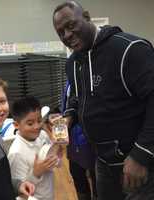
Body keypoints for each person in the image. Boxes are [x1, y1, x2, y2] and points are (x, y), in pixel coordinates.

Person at [53, 1, 154, 200]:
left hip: (139, 163)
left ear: (87, 17)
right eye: (60, 32)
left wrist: (141, 155)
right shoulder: (73, 63)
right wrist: (68, 116)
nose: (67, 35)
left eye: (71, 25)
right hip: (102, 162)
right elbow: (77, 97)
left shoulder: (130, 50)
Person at [8, 96, 59, 200]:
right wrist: (36, 173)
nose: (36, 126)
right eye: (30, 123)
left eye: (39, 121)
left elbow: (56, 161)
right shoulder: (16, 153)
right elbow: (20, 192)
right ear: (16, 125)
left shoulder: (42, 135)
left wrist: (59, 147)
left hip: (48, 195)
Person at [63, 80, 97, 200]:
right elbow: (69, 102)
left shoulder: (91, 76)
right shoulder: (71, 77)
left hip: (90, 138)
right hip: (74, 138)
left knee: (96, 177)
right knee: (78, 176)